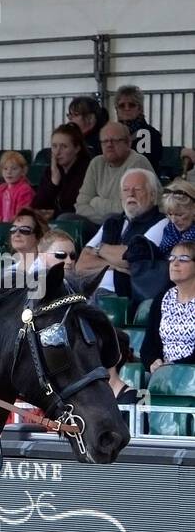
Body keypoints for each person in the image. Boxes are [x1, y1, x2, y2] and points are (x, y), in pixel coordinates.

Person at [71, 168, 164, 303]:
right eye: (126, 190)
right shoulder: (112, 222)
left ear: (152, 195)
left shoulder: (161, 222)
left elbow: (131, 259)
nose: (131, 194)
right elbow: (81, 265)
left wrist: (100, 250)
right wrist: (115, 265)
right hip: (91, 291)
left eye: (138, 189)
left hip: (123, 295)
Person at [73, 122, 155, 225]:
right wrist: (105, 220)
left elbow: (127, 209)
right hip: (100, 222)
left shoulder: (137, 162)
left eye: (115, 141)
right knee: (66, 218)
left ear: (128, 143)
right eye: (105, 141)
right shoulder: (96, 163)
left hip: (130, 224)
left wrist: (95, 202)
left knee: (113, 219)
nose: (109, 145)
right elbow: (80, 206)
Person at [140, 241, 195, 372]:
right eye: (172, 258)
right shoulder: (162, 299)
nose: (175, 264)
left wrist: (174, 367)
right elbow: (148, 346)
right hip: (165, 376)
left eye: (183, 259)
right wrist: (153, 362)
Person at [31, 123, 91, 220]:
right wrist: (54, 182)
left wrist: (54, 214)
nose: (57, 152)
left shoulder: (87, 170)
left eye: (64, 146)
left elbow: (78, 206)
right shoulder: (51, 170)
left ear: (77, 148)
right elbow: (37, 206)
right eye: (54, 146)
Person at [0, 151, 35, 226]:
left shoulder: (25, 190)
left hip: (16, 230)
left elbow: (21, 218)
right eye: (5, 169)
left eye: (14, 169)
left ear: (23, 171)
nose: (9, 172)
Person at [113, 85, 162, 159]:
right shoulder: (111, 134)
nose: (127, 109)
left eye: (131, 105)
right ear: (117, 110)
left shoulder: (151, 134)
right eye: (122, 105)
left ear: (140, 109)